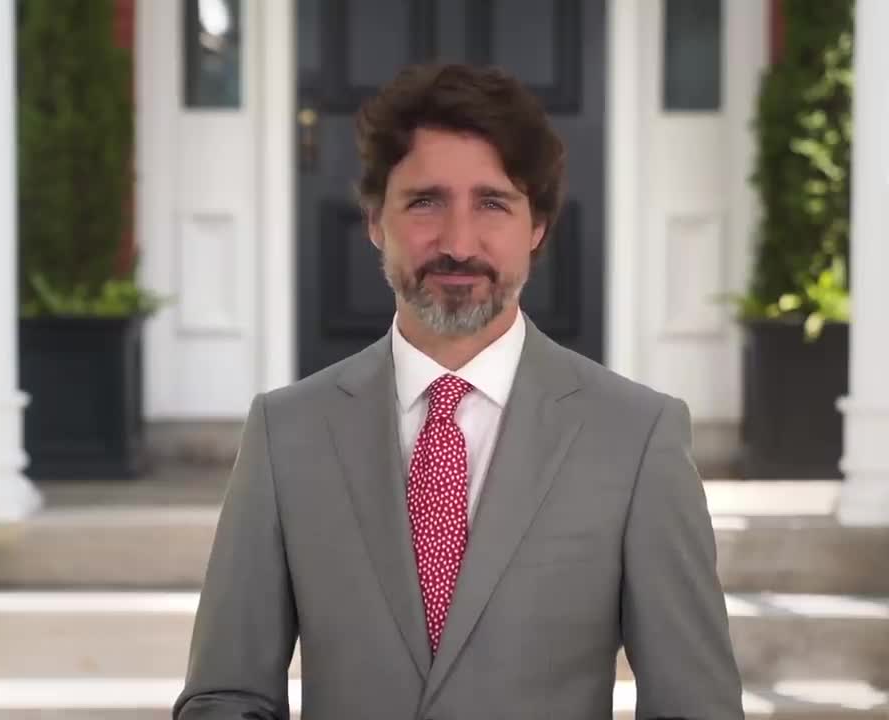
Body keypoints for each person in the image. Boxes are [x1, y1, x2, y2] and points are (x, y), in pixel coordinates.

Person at [174, 63, 743, 720]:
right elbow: (226, 695)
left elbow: (694, 705)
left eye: (493, 204)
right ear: (374, 222)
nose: (457, 243)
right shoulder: (286, 433)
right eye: (424, 202)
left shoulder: (637, 438)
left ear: (537, 229)